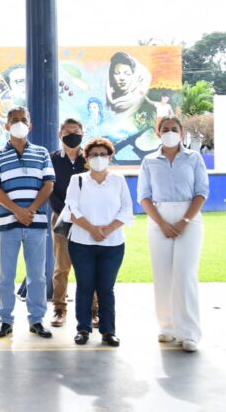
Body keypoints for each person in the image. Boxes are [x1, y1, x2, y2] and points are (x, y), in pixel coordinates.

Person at [137, 115, 209, 352]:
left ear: (181, 131)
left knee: (184, 273)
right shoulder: (149, 161)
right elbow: (144, 197)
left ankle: (188, 332)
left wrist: (185, 220)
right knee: (163, 274)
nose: (170, 132)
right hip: (159, 217)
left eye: (174, 128)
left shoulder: (194, 158)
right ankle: (167, 327)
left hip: (189, 216)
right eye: (165, 129)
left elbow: (201, 192)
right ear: (158, 132)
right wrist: (162, 223)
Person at [0, 107, 55, 339]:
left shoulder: (42, 153)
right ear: (6, 126)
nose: (18, 123)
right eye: (14, 120)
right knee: (5, 275)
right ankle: (5, 320)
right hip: (7, 224)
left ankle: (37, 320)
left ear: (30, 125)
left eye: (23, 119)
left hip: (35, 224)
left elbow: (48, 185)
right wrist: (18, 211)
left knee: (37, 276)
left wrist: (31, 210)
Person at [63, 137, 133, 347]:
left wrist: (107, 230)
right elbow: (71, 209)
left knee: (106, 288)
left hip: (112, 245)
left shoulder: (119, 181)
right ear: (86, 158)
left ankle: (108, 331)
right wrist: (92, 229)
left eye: (103, 154)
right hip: (81, 242)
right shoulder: (78, 180)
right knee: (84, 285)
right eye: (94, 155)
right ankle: (83, 329)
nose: (99, 158)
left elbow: (127, 209)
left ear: (110, 157)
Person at [48, 119, 98, 328]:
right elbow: (49, 189)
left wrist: (83, 217)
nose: (72, 135)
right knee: (61, 267)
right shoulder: (51, 159)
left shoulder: (89, 159)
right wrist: (68, 213)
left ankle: (94, 310)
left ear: (83, 133)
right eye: (68, 131)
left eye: (76, 131)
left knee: (90, 266)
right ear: (60, 134)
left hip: (88, 220)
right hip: (61, 219)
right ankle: (59, 309)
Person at [105, 51, 151, 118]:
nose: (122, 78)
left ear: (135, 76)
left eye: (127, 74)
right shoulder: (109, 102)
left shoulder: (140, 102)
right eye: (117, 73)